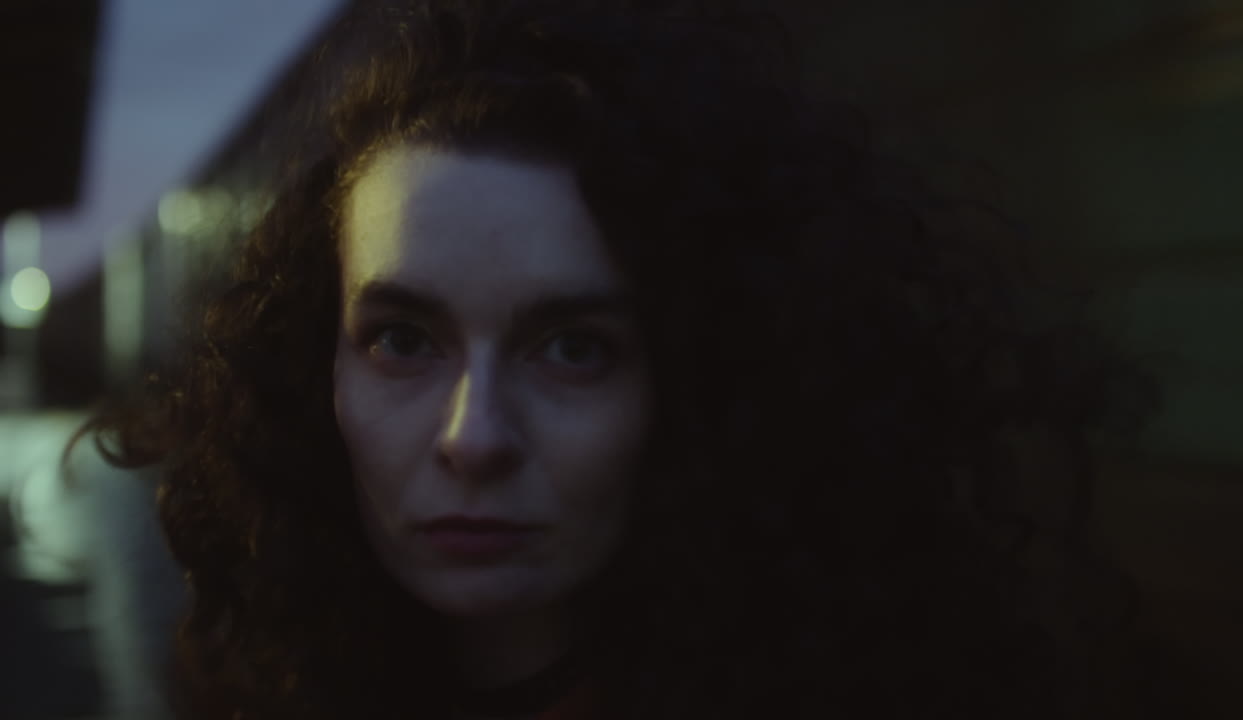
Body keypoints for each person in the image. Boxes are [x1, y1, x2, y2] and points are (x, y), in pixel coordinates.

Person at [79, 1, 1174, 718]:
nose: (474, 438)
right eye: (402, 340)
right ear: (315, 373)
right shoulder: (264, 687)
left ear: (703, 382)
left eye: (572, 348)